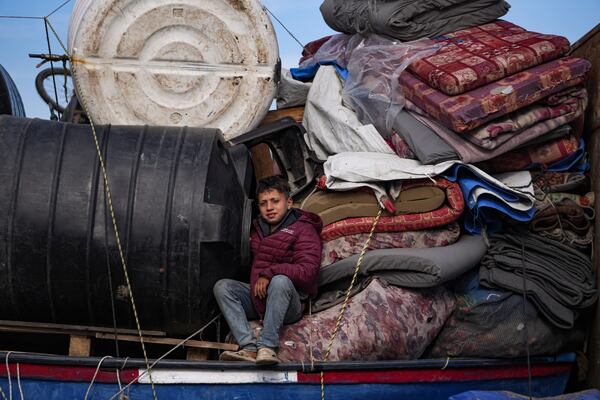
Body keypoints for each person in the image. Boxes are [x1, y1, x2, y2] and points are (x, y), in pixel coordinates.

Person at [213, 175, 323, 365]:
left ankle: (267, 347)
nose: (269, 208)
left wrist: (269, 274)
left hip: (290, 303)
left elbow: (308, 271)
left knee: (280, 281)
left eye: (275, 201)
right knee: (223, 287)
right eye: (263, 203)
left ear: (289, 202)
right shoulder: (257, 229)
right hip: (259, 298)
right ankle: (248, 347)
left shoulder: (304, 229)